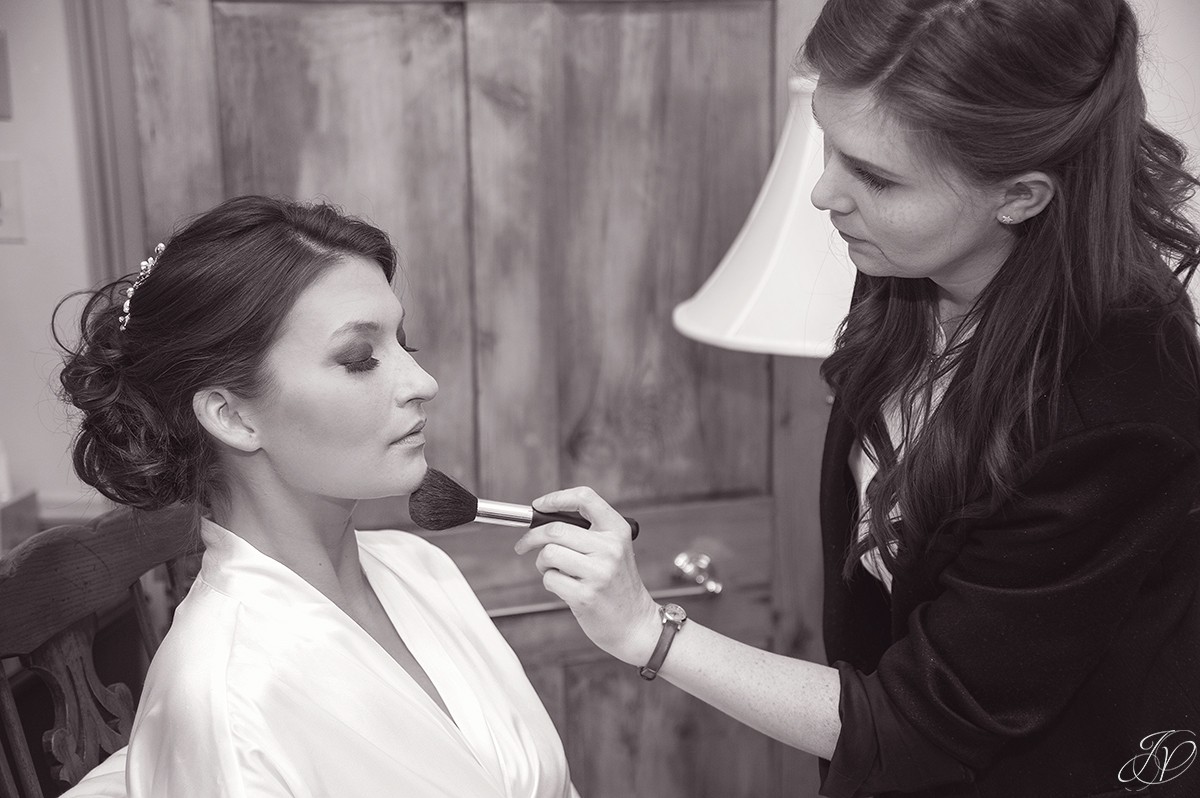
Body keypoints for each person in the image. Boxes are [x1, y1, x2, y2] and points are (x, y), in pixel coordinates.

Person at [513, 0, 1200, 796]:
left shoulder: (1116, 404)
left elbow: (923, 723)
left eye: (874, 175)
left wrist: (646, 631)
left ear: (1019, 195)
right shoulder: (907, 268)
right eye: (829, 146)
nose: (824, 194)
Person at [55, 195, 579, 798]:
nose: (423, 382)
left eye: (405, 344)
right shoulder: (228, 708)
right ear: (232, 416)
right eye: (360, 359)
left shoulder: (421, 569)